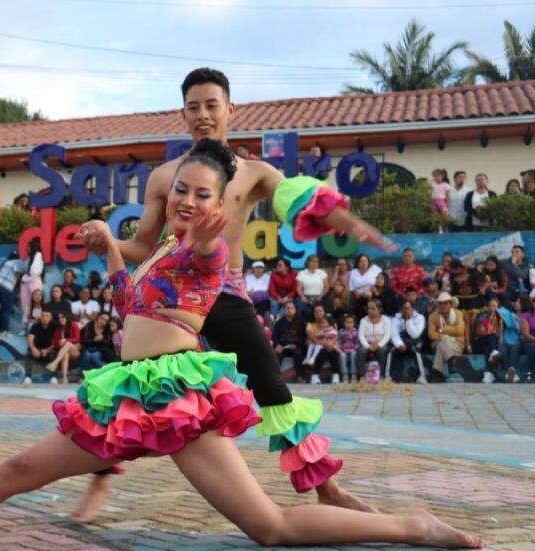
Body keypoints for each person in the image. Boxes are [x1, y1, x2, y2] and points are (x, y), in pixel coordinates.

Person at [0, 140, 480, 551]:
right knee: (14, 473)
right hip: (125, 394)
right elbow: (131, 304)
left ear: (220, 203)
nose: (191, 200)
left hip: (175, 397)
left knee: (270, 528)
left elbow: (206, 249)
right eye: (183, 190)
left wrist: (208, 225)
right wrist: (112, 248)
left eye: (206, 194)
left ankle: (413, 525)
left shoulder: (209, 245)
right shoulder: (166, 248)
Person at [75, 68, 392, 519]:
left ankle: (328, 489)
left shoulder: (257, 173)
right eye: (193, 107)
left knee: (272, 384)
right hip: (173, 298)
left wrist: (355, 226)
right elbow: (144, 244)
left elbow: (306, 201)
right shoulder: (166, 176)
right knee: (131, 390)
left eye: (211, 105)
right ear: (182, 114)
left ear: (229, 110)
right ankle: (100, 478)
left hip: (225, 291)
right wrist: (106, 240)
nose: (202, 115)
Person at [428, 292, 474, 382]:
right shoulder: (433, 316)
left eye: (445, 303)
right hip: (437, 342)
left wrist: (441, 330)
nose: (443, 306)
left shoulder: (458, 314)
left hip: (457, 343)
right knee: (444, 339)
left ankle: (436, 372)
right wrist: (449, 332)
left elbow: (460, 330)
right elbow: (431, 335)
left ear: (450, 304)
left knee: (442, 344)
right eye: (440, 303)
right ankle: (451, 361)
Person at [389, 301, 427, 383]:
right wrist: (400, 344)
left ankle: (422, 376)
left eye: (408, 308)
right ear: (401, 310)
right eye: (404, 309)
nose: (406, 311)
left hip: (415, 342)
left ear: (412, 308)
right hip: (402, 343)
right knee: (391, 351)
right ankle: (387, 376)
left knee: (416, 350)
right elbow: (394, 335)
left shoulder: (420, 318)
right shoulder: (395, 319)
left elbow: (415, 335)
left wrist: (409, 320)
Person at [472, 296, 506, 383]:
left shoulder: (500, 318)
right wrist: (489, 332)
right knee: (491, 336)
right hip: (480, 341)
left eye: (494, 306)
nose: (492, 308)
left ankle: (488, 373)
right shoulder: (482, 317)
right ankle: (493, 353)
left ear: (498, 308)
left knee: (488, 349)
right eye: (490, 306)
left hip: (492, 343)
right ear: (487, 307)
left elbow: (500, 334)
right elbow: (478, 332)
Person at [357, 299, 391, 382]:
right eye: (368, 309)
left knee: (381, 350)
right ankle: (362, 376)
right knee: (362, 351)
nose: (370, 311)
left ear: (379, 310)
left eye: (373, 309)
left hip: (382, 343)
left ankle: (381, 375)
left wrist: (379, 345)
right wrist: (368, 346)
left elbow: (387, 335)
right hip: (368, 344)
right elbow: (361, 336)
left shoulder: (386, 319)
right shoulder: (363, 320)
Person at [46, 311, 82, 385]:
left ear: (67, 318)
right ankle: (65, 379)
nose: (60, 319)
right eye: (59, 318)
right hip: (64, 352)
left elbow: (77, 339)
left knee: (68, 344)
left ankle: (55, 363)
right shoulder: (59, 329)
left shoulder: (74, 325)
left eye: (63, 317)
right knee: (65, 354)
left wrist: (66, 340)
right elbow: (55, 344)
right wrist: (59, 343)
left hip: (75, 351)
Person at [24, 309, 57, 385]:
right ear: (40, 318)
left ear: (51, 318)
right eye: (43, 316)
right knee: (29, 355)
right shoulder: (35, 326)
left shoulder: (54, 327)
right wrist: (33, 348)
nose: (44, 318)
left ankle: (53, 377)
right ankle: (28, 377)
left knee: (54, 355)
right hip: (37, 350)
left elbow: (55, 342)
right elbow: (30, 339)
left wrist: (47, 350)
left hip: (49, 350)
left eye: (47, 316)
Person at [0, 252, 24, 335]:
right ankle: (5, 330)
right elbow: (18, 276)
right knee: (7, 310)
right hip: (7, 288)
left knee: (2, 310)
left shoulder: (5, 264)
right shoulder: (16, 263)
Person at [20, 240, 45, 334]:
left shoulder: (38, 254)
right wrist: (25, 278)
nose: (27, 249)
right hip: (26, 281)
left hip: (33, 280)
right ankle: (24, 326)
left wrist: (26, 278)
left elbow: (34, 271)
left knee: (36, 302)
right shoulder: (29, 258)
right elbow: (25, 270)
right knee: (25, 304)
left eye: (29, 247)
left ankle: (37, 323)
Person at [337, 314, 359, 383]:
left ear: (354, 323)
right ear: (343, 323)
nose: (349, 324)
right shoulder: (341, 332)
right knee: (342, 355)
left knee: (354, 354)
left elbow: (358, 343)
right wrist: (342, 349)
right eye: (347, 322)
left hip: (353, 350)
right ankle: (345, 375)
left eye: (351, 322)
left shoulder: (356, 332)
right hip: (344, 350)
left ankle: (353, 375)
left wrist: (354, 349)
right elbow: (338, 342)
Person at [518, 296, 535, 382]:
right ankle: (525, 372)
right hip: (528, 341)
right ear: (532, 303)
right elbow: (526, 334)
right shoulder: (525, 316)